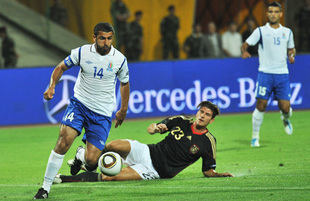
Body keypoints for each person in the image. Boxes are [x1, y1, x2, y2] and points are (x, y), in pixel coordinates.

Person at [33, 22, 130, 199]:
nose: (106, 42)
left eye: (109, 39)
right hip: (79, 105)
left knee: (92, 160)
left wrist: (123, 109)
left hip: (102, 114)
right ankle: (45, 188)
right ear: (94, 38)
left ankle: (80, 156)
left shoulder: (119, 59)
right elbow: (61, 67)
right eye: (102, 38)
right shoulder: (82, 52)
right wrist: (52, 87)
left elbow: (124, 83)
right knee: (63, 141)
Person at [53, 101, 233, 184]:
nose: (202, 116)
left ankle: (62, 179)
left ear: (212, 120)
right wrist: (156, 128)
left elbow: (207, 171)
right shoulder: (181, 120)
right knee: (113, 145)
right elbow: (152, 128)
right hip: (147, 151)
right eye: (201, 111)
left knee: (110, 177)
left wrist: (218, 175)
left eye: (207, 114)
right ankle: (84, 158)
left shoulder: (209, 142)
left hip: (155, 171)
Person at [241, 1, 296, 147]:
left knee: (285, 108)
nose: (273, 14)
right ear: (267, 14)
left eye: (276, 12)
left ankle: (285, 119)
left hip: (282, 74)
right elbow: (245, 44)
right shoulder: (260, 31)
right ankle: (254, 137)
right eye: (270, 11)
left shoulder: (287, 32)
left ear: (281, 14)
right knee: (261, 105)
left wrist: (292, 56)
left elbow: (291, 49)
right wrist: (244, 51)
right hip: (265, 74)